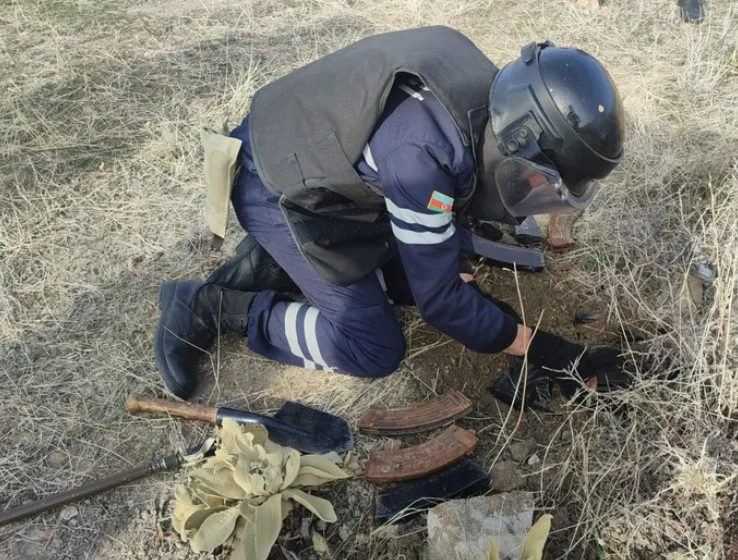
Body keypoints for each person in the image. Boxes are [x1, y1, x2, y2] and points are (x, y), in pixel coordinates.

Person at [153, 26, 625, 400]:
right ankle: (211, 306)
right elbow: (439, 302)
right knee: (372, 346)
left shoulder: (490, 94)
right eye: (541, 178)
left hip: (319, 156)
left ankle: (278, 262)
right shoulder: (422, 157)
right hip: (273, 182)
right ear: (521, 138)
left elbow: (454, 193)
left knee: (417, 273)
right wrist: (542, 348)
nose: (537, 193)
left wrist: (455, 265)